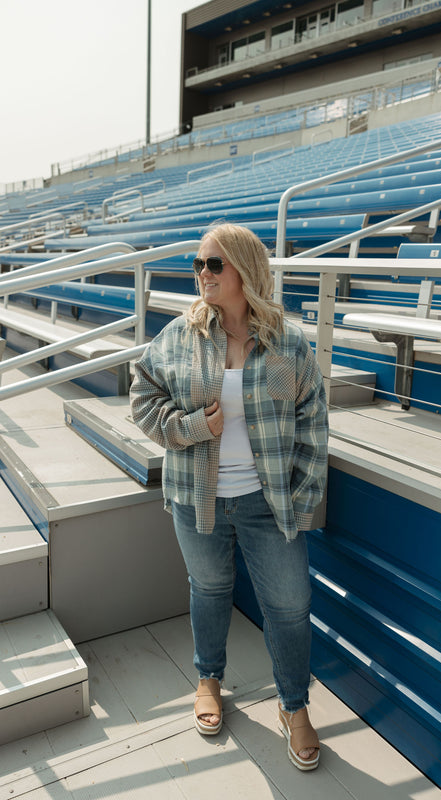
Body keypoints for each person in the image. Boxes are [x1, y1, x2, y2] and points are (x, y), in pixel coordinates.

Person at [130, 223, 328, 771]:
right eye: (198, 264)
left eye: (213, 264)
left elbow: (312, 417)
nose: (202, 274)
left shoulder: (285, 341)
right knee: (210, 589)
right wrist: (194, 427)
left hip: (269, 505)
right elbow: (142, 399)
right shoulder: (178, 336)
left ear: (244, 268)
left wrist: (301, 492)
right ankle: (209, 679)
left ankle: (294, 707)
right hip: (199, 498)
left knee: (289, 607)